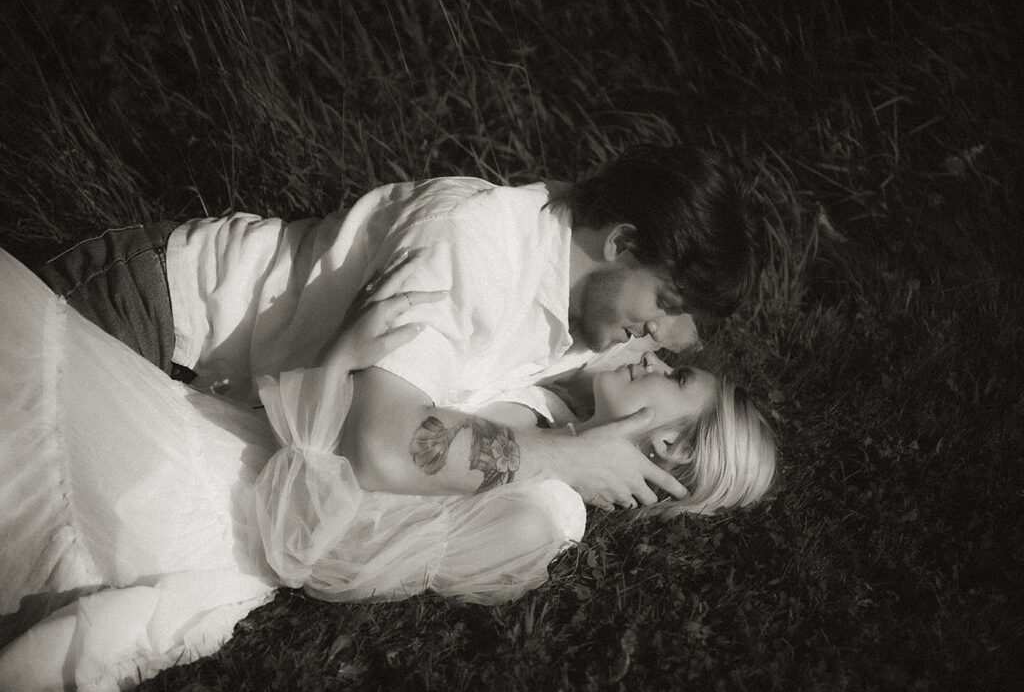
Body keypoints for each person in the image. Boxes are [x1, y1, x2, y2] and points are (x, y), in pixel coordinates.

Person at [0, 241, 775, 689]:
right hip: (207, 427)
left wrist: (311, 413)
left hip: (196, 501)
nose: (657, 352)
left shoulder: (549, 514)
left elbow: (328, 547)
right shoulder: (562, 395)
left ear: (671, 446)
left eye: (675, 376)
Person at [32, 145, 760, 510]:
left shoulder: (589, 305)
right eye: (662, 303)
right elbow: (383, 448)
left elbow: (667, 376)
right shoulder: (473, 243)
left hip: (209, 394)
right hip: (156, 311)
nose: (658, 338)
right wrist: (569, 460)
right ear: (622, 242)